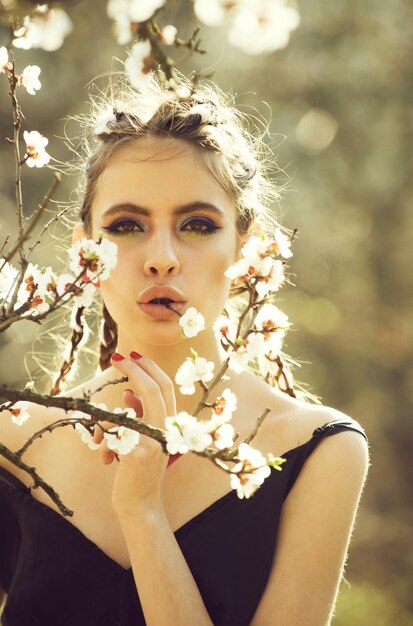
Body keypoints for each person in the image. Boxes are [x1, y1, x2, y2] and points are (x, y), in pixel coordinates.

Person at [0, 71, 369, 626]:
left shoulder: (317, 451)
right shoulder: (14, 438)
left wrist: (142, 514)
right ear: (85, 254)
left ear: (248, 250)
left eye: (197, 224)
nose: (162, 258)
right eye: (126, 226)